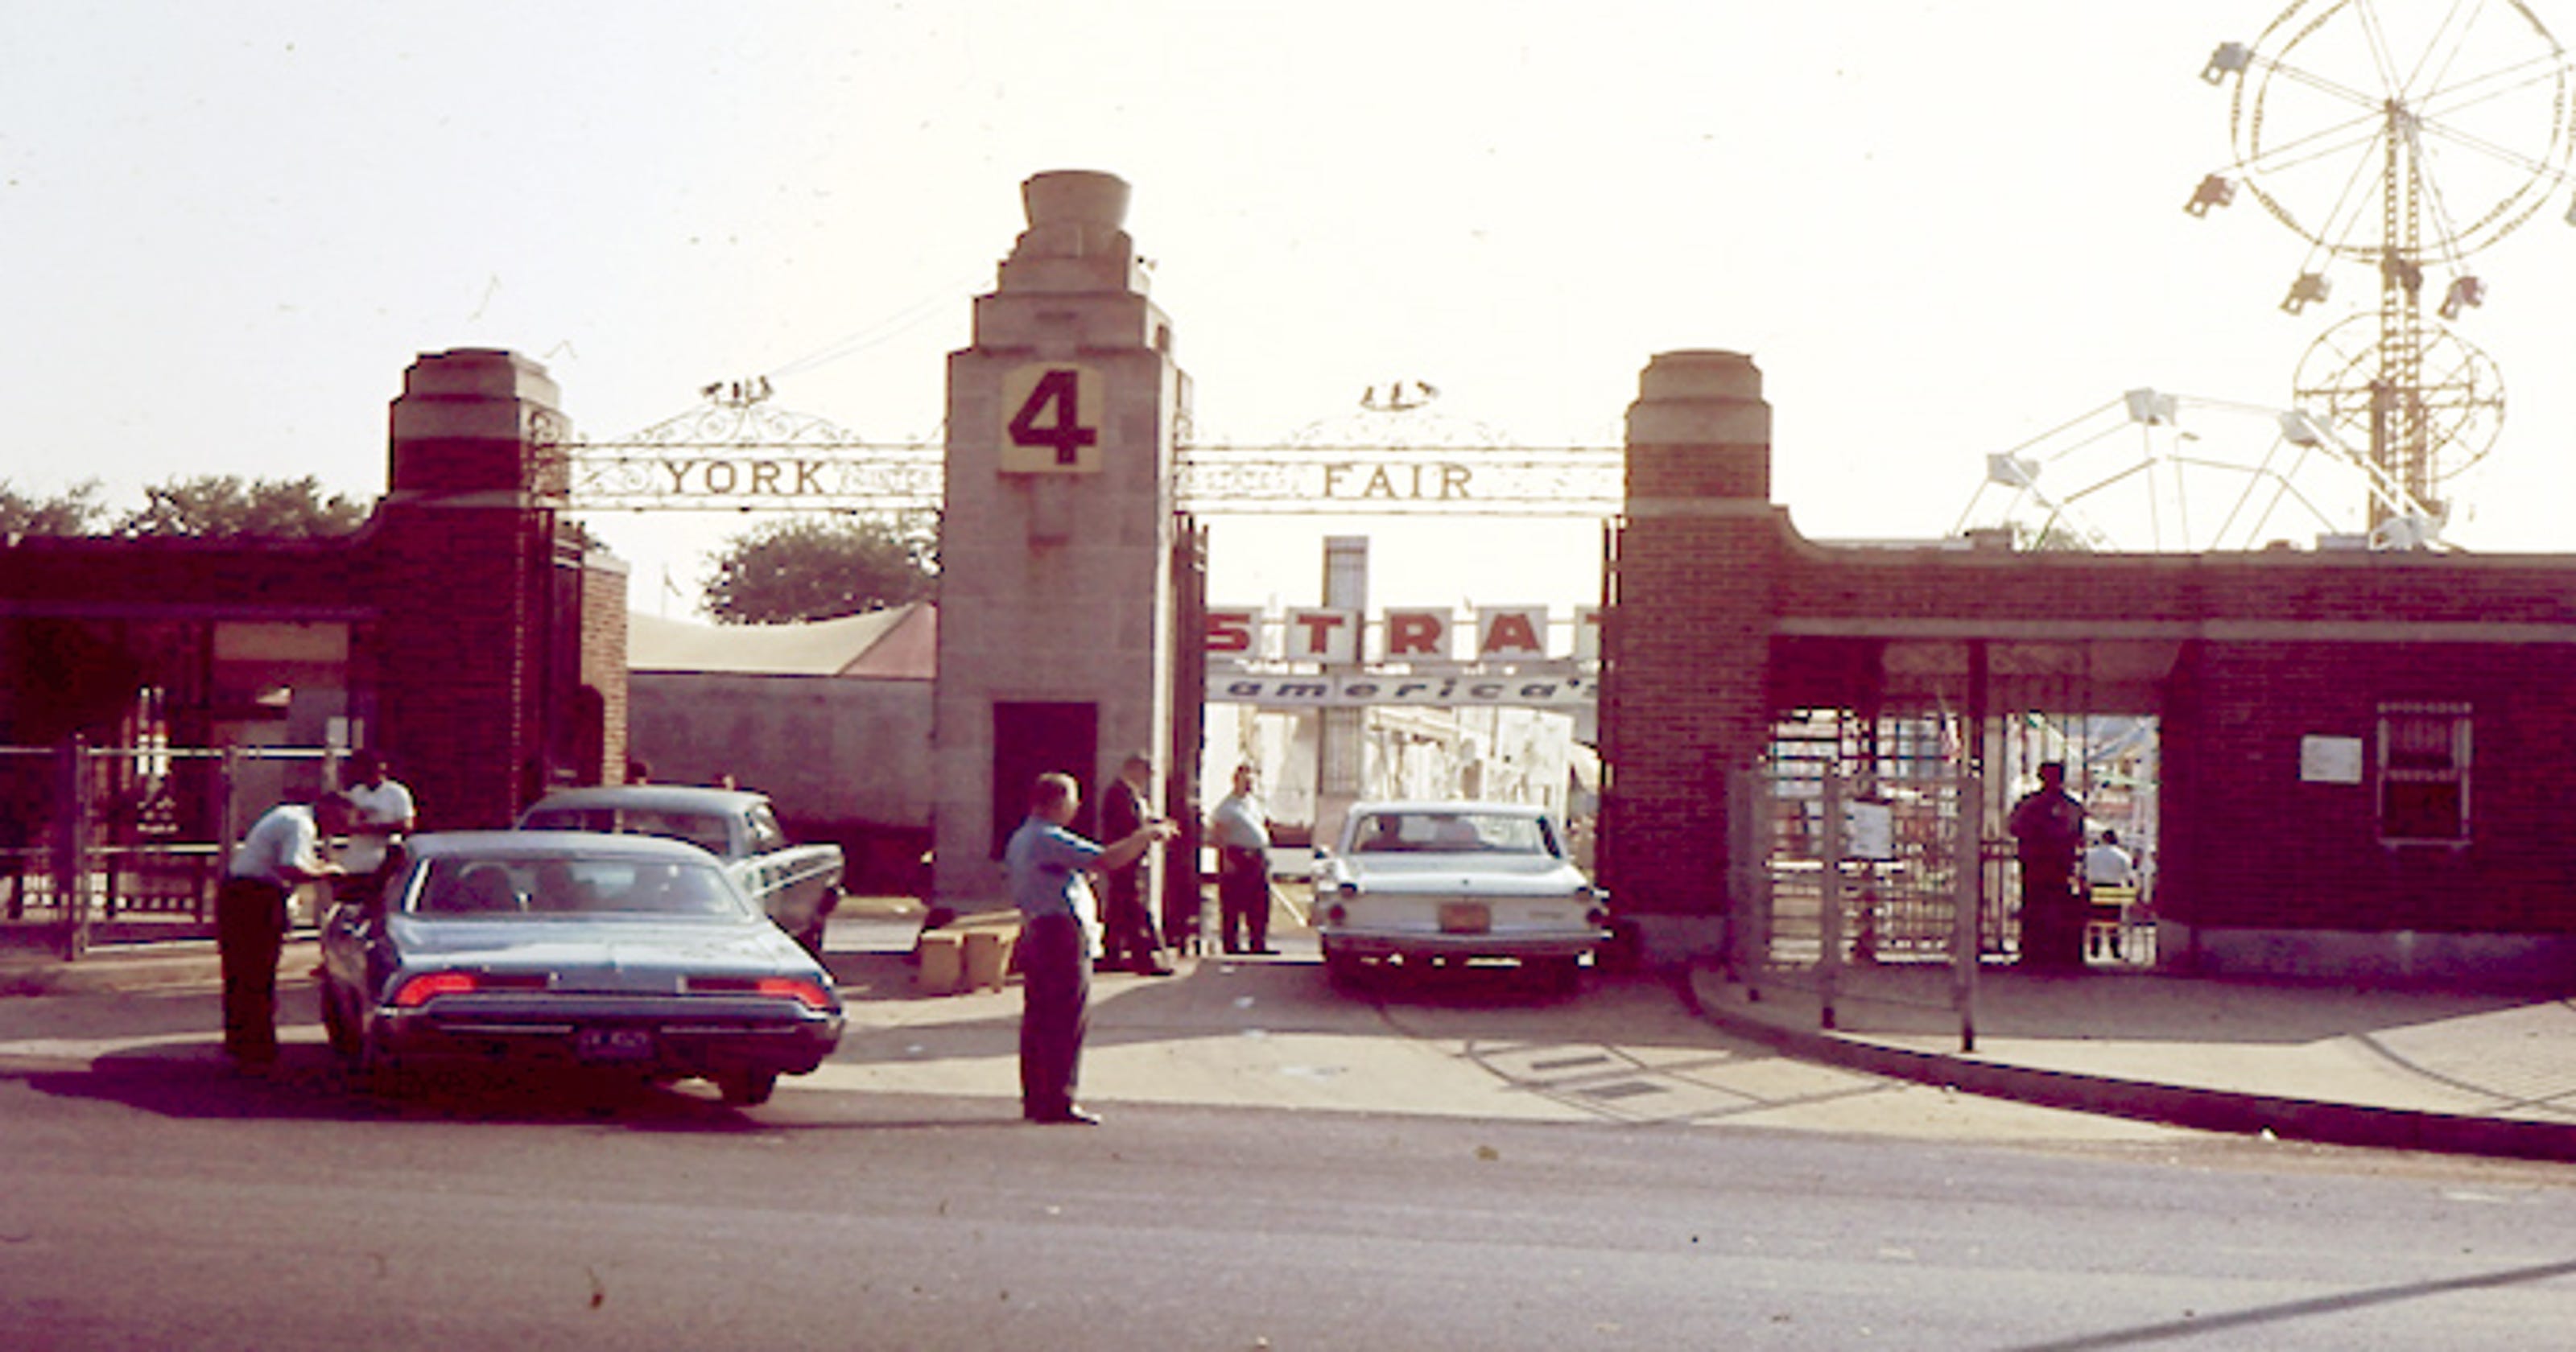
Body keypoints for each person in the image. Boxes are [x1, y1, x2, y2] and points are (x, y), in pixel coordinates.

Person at [1004, 772, 1176, 1126]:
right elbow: (1108, 858)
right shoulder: (1048, 837)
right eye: (1071, 800)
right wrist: (1145, 835)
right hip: (1060, 933)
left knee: (1039, 1017)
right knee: (1067, 1017)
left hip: (1037, 927)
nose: (1076, 807)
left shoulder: (1023, 838)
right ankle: (1059, 1099)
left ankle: (1037, 1096)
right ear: (1056, 802)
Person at [218, 791, 353, 1073]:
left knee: (240, 971)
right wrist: (327, 873)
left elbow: (297, 861)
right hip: (254, 896)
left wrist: (319, 867)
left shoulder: (290, 815)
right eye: (340, 820)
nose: (339, 829)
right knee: (258, 970)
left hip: (239, 891)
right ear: (328, 809)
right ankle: (256, 1045)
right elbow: (290, 867)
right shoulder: (301, 825)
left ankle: (239, 1039)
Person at [2007, 760, 2087, 972]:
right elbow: (2077, 833)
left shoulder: (2030, 804)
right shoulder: (2070, 806)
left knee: (2036, 909)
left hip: (2037, 863)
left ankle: (2035, 953)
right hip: (2057, 864)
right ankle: (2055, 955)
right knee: (2052, 908)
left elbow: (2014, 827)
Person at [1096, 753, 1171, 975]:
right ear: (1133, 769)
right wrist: (1147, 834)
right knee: (1134, 907)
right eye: (1144, 772)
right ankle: (1144, 957)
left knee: (1119, 907)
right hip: (1124, 856)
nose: (1146, 779)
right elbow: (1126, 825)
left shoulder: (1134, 795)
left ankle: (1112, 953)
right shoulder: (1118, 794)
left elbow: (1140, 820)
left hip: (1132, 856)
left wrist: (1156, 824)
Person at [1207, 765, 1274, 955]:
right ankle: (1231, 944)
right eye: (1246, 781)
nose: (1249, 785)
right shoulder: (1227, 807)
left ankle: (1258, 943)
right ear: (1236, 780)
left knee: (1259, 902)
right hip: (1237, 856)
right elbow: (1217, 834)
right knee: (1233, 902)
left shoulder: (1254, 803)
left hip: (1257, 856)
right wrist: (1225, 859)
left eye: (1251, 781)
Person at [337, 750, 416, 902]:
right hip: (357, 860)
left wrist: (374, 828)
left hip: (384, 861)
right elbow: (347, 823)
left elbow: (407, 826)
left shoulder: (396, 793)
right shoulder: (357, 793)